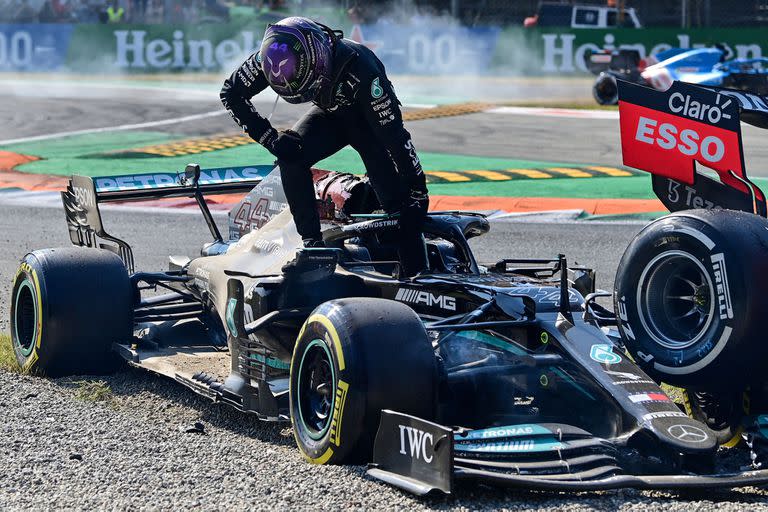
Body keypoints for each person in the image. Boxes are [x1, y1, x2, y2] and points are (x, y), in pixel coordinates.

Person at [220, 17, 429, 277]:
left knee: (401, 205)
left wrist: (418, 191)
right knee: (290, 156)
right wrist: (270, 138)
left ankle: (418, 273)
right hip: (329, 114)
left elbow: (395, 137)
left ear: (318, 62)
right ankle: (312, 247)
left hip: (369, 123)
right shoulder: (275, 54)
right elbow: (230, 92)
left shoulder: (364, 73)